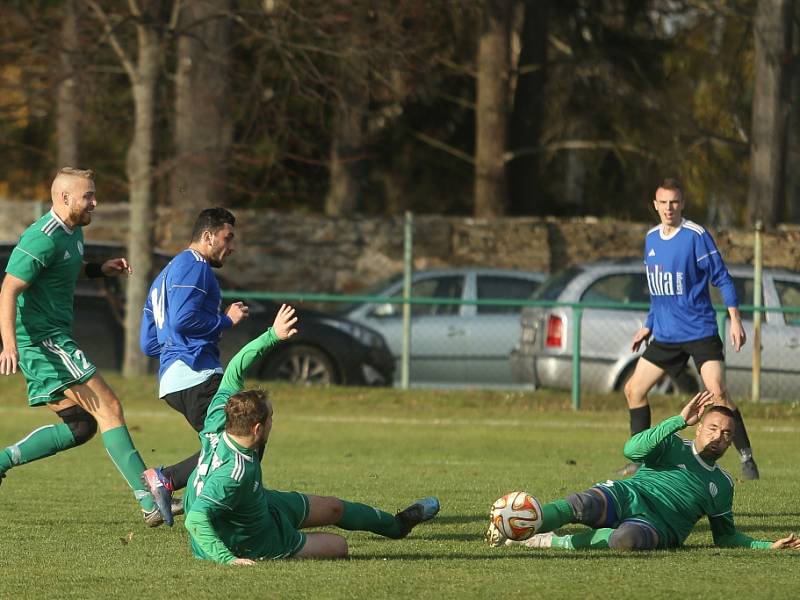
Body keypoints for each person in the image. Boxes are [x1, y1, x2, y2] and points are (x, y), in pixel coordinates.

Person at [183, 303, 440, 563]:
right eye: (272, 417)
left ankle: (397, 525)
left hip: (255, 505)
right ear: (257, 428)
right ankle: (284, 539)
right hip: (252, 540)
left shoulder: (218, 417)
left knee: (334, 507)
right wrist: (227, 559)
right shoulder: (233, 474)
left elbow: (235, 367)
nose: (274, 421)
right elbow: (195, 518)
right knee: (339, 546)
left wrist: (273, 335)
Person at [0, 167, 172, 526]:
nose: (95, 201)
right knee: (108, 405)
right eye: (88, 196)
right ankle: (149, 497)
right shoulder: (40, 237)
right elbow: (9, 289)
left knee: (80, 426)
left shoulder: (73, 232)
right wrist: (9, 346)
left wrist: (99, 269)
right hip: (43, 339)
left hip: (51, 337)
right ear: (64, 198)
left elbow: (64, 268)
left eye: (94, 194)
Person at [487, 391, 800, 552]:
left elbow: (725, 537)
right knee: (582, 505)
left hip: (657, 526)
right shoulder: (672, 443)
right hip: (629, 494)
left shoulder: (722, 484)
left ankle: (547, 541)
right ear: (699, 427)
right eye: (714, 428)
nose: (719, 437)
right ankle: (522, 523)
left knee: (626, 541)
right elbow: (631, 450)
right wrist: (677, 420)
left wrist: (765, 546)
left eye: (728, 434)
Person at [620, 178, 759, 480]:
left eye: (675, 202)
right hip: (666, 336)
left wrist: (734, 318)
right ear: (655, 206)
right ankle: (643, 460)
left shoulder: (696, 236)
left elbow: (722, 278)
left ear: (682, 204)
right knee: (634, 389)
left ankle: (746, 457)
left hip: (699, 332)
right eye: (664, 203)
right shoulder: (651, 239)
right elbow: (659, 292)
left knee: (718, 394)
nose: (669, 208)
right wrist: (649, 325)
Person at [139, 208, 249, 524]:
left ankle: (177, 487)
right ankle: (168, 481)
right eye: (227, 238)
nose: (231, 247)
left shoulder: (164, 275)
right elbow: (183, 320)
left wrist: (175, 345)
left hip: (174, 380)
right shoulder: (196, 267)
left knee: (229, 442)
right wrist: (225, 320)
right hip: (196, 374)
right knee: (239, 440)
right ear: (207, 236)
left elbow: (149, 343)